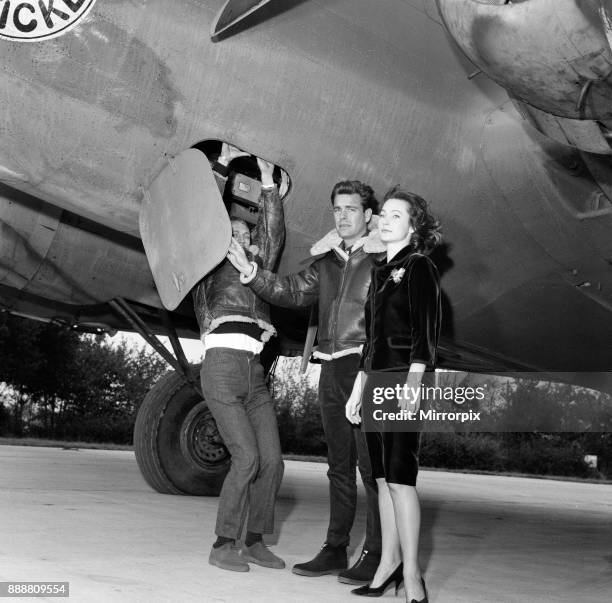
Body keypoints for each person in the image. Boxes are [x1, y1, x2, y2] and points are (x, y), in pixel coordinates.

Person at [226, 180, 383, 585]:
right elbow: (293, 290)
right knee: (338, 466)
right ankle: (335, 548)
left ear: (368, 216)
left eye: (351, 209)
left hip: (366, 369)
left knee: (372, 468)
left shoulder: (383, 261)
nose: (343, 216)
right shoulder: (327, 263)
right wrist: (254, 275)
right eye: (337, 210)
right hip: (331, 367)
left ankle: (377, 552)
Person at [345, 186, 441, 603]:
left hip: (404, 380)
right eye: (383, 214)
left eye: (395, 216)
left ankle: (414, 577)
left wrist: (415, 381)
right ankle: (387, 565)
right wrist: (358, 386)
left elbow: (426, 330)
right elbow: (372, 338)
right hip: (375, 381)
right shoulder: (380, 271)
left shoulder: (419, 267)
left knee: (402, 479)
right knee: (382, 479)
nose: (384, 220)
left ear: (414, 226)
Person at [193, 143, 285, 573]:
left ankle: (254, 540)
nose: (243, 238)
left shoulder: (257, 267)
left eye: (247, 234)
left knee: (272, 461)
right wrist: (223, 167)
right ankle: (222, 543)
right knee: (246, 458)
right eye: (234, 233)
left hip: (255, 373)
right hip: (223, 370)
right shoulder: (210, 266)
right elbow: (200, 221)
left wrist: (268, 183)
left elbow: (273, 234)